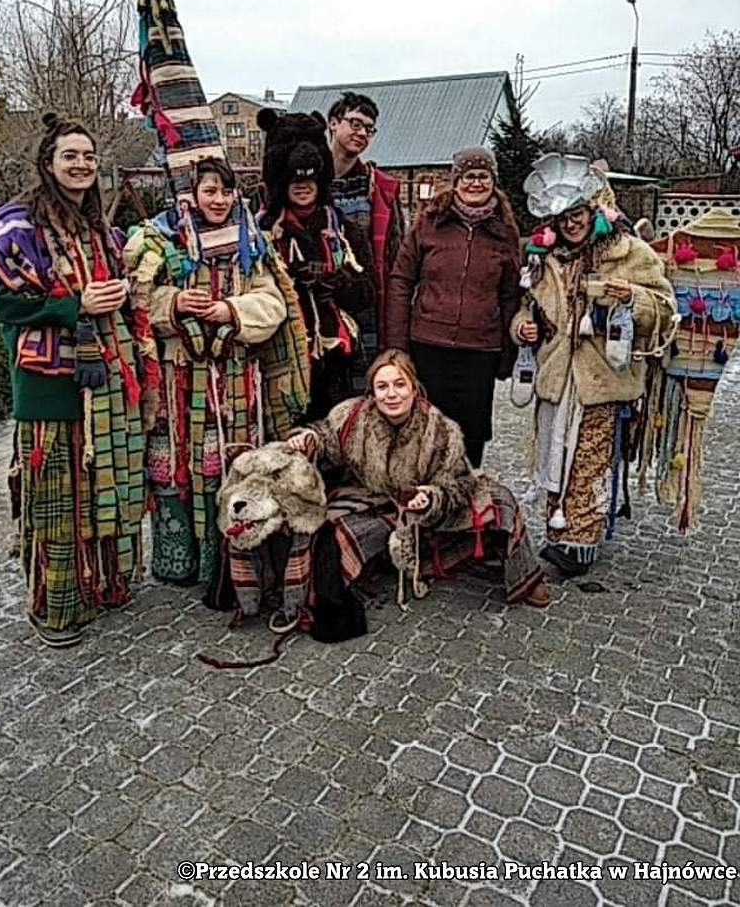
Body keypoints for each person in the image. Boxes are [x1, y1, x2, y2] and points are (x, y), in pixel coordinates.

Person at [0, 113, 145, 647]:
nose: (81, 165)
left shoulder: (98, 227)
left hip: (103, 379)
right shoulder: (20, 224)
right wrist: (75, 305)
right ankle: (56, 605)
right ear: (48, 163)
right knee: (55, 497)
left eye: (89, 157)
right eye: (69, 155)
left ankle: (102, 584)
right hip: (50, 382)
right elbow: (4, 303)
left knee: (100, 490)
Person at [125, 156, 309, 604]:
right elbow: (138, 298)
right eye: (210, 191)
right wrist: (176, 302)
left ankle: (224, 564)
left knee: (225, 465)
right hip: (177, 377)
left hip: (232, 379)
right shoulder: (162, 239)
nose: (219, 200)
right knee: (174, 465)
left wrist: (232, 310)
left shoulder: (251, 244)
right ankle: (177, 561)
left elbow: (274, 304)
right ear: (192, 194)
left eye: (226, 191)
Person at [288, 348, 549, 628]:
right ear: (372, 392)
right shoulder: (352, 415)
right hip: (371, 501)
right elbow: (325, 437)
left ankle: (525, 576)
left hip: (423, 510)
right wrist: (308, 438)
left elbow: (458, 484)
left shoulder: (439, 429)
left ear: (414, 388)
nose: (391, 394)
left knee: (501, 501)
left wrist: (431, 499)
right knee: (333, 536)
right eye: (382, 386)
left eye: (400, 385)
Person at [513, 152, 675, 576]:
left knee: (589, 458)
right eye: (563, 216)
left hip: (602, 379)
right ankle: (557, 531)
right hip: (555, 376)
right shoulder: (544, 259)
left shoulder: (629, 254)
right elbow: (526, 309)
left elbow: (664, 309)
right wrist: (522, 329)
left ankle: (582, 542)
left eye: (578, 214)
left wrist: (631, 300)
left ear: (594, 211)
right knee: (554, 454)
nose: (571, 223)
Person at [386, 147, 521, 467]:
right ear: (456, 181)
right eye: (468, 176)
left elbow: (511, 295)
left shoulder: (504, 232)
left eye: (483, 176)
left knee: (471, 435)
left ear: (493, 182)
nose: (476, 183)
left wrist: (507, 354)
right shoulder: (429, 223)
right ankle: (424, 498)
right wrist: (396, 347)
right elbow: (401, 281)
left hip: (480, 350)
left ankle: (464, 497)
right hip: (429, 344)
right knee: (425, 429)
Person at [259, 152, 375, 420]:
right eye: (294, 180)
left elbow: (366, 292)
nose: (302, 186)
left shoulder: (343, 231)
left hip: (334, 357)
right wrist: (294, 284)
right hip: (282, 353)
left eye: (310, 179)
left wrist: (336, 283)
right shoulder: (265, 232)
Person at [328, 91, 403, 388]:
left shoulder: (379, 188)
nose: (362, 133)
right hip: (320, 303)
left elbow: (394, 254)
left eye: (369, 129)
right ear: (334, 123)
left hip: (366, 306)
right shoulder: (306, 182)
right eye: (355, 124)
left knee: (365, 393)